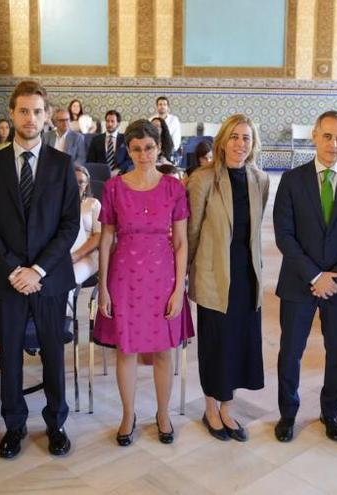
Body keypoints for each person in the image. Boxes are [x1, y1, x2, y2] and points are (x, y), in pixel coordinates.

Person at [0, 80, 79, 459]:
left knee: (53, 353)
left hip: (49, 281)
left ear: (47, 116)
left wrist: (37, 270)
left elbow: (69, 226)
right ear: (11, 114)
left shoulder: (63, 165)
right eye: (23, 111)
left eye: (37, 111)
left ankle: (56, 424)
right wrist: (16, 269)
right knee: (11, 356)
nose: (30, 118)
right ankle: (14, 426)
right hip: (7, 281)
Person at [273, 110, 337, 443]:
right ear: (315, 137)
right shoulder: (292, 179)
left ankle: (330, 413)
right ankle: (288, 414)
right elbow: (284, 234)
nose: (334, 144)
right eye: (328, 136)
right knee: (290, 351)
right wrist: (315, 275)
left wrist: (335, 278)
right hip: (299, 282)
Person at [94, 119, 193, 447]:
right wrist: (104, 287)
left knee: (164, 350)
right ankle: (128, 414)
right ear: (128, 150)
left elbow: (181, 242)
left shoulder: (173, 187)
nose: (143, 154)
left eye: (148, 147)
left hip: (163, 276)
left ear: (159, 147)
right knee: (127, 350)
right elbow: (106, 238)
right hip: (124, 277)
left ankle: (162, 413)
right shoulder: (113, 187)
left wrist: (179, 289)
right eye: (136, 149)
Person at [187, 114, 270, 442]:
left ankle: (226, 408)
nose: (240, 144)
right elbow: (192, 232)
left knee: (239, 346)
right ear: (222, 141)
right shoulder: (203, 179)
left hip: (247, 277)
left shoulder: (260, 179)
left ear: (253, 144)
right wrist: (183, 275)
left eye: (246, 138)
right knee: (216, 345)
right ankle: (210, 408)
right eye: (234, 137)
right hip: (214, 276)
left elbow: (254, 229)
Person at [68, 165, 101, 314]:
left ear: (87, 183)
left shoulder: (93, 203)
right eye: (74, 181)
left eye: (81, 182)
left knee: (67, 279)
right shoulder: (59, 204)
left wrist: (76, 256)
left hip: (87, 255)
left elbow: (98, 235)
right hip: (64, 253)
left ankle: (64, 322)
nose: (78, 185)